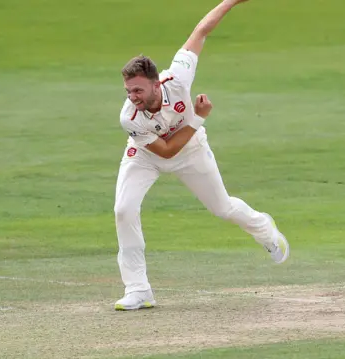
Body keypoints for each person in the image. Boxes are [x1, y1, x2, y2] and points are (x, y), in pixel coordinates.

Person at [113, 0, 289, 311]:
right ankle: (138, 289)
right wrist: (199, 117)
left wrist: (230, 1)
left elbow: (201, 30)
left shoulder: (177, 78)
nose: (132, 97)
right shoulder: (130, 117)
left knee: (222, 208)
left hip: (192, 150)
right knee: (124, 210)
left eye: (138, 91)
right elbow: (166, 151)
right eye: (128, 91)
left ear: (156, 84)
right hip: (146, 155)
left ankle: (264, 229)